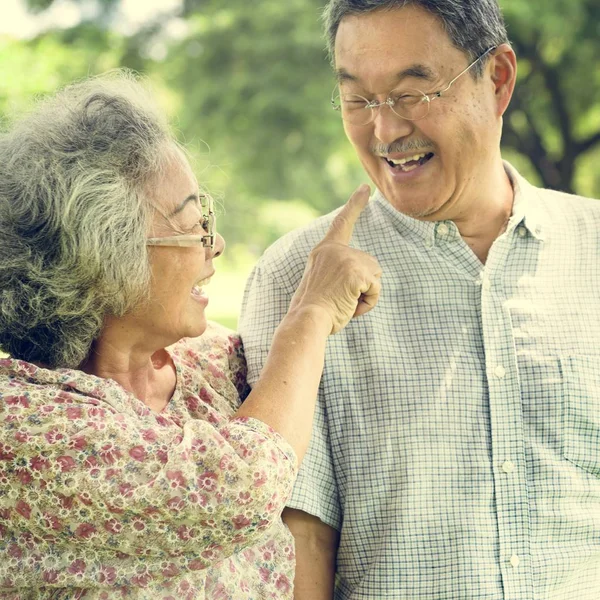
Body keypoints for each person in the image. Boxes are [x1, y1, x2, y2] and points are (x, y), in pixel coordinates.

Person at [239, 1, 600, 598]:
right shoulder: (295, 282)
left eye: (412, 93)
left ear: (499, 79)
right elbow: (299, 540)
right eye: (358, 100)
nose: (385, 130)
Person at [0, 70, 381, 599]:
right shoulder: (25, 428)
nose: (216, 241)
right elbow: (237, 486)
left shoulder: (210, 363)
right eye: (193, 222)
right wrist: (310, 313)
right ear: (107, 256)